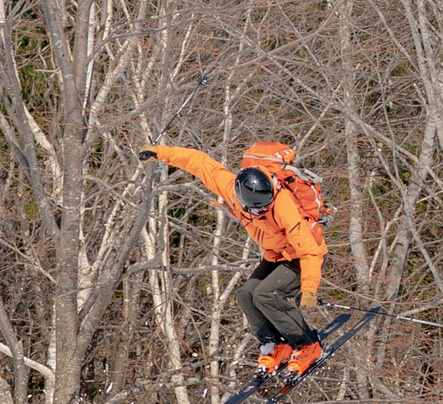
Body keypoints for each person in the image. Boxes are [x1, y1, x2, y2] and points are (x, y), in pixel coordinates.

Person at [138, 142, 328, 377]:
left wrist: (309, 288)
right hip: (276, 255)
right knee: (246, 294)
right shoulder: (232, 189)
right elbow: (201, 164)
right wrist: (161, 153)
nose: (261, 213)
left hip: (301, 257)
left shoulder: (282, 205)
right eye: (256, 210)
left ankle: (308, 345)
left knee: (266, 294)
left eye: (265, 207)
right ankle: (275, 344)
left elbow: (310, 251)